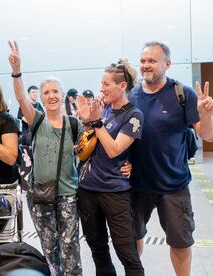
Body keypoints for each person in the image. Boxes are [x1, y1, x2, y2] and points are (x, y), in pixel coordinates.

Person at [129, 41, 213, 276]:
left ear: (167, 64)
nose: (146, 66)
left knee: (180, 243)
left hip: (173, 184)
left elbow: (209, 135)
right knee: (133, 238)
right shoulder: (132, 94)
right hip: (136, 185)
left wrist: (207, 115)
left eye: (152, 61)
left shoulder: (182, 93)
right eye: (143, 61)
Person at [8, 41, 83, 275]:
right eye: (46, 92)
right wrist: (17, 71)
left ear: (62, 95)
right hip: (40, 194)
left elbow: (89, 154)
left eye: (55, 91)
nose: (51, 96)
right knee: (49, 248)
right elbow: (21, 98)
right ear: (41, 97)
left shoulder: (74, 124)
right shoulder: (37, 120)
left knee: (70, 247)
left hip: (68, 195)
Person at [77, 59, 145, 275]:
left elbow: (114, 149)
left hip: (114, 192)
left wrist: (96, 123)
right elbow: (93, 143)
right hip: (88, 189)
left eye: (106, 84)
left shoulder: (134, 115)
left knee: (127, 253)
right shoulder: (104, 111)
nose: (101, 89)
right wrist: (89, 121)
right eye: (101, 83)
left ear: (122, 86)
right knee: (97, 249)